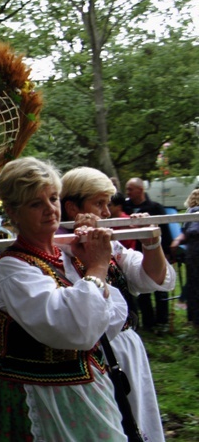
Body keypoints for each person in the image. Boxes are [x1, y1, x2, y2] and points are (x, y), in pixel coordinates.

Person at [0, 157, 128, 441]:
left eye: (52, 198)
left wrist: (90, 267)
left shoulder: (66, 255)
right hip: (40, 392)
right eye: (35, 204)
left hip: (86, 383)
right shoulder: (12, 268)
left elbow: (110, 321)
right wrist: (98, 268)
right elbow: (72, 329)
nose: (50, 209)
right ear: (13, 212)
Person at [61, 166, 175, 442]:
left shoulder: (112, 246)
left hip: (126, 348)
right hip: (91, 356)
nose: (107, 213)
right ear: (73, 207)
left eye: (107, 203)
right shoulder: (57, 252)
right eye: (99, 204)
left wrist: (151, 241)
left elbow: (153, 279)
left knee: (138, 420)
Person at [125, 177, 173, 332]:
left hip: (155, 251)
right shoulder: (127, 208)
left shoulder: (155, 207)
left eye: (130, 189)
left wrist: (166, 251)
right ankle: (148, 322)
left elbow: (165, 231)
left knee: (159, 288)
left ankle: (162, 321)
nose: (128, 192)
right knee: (142, 292)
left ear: (140, 189)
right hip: (134, 253)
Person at [171, 189, 199, 326]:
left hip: (193, 252)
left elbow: (185, 232)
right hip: (194, 252)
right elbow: (188, 232)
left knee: (193, 284)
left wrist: (177, 240)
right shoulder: (193, 212)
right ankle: (194, 318)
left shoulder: (190, 212)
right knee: (193, 285)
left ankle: (193, 317)